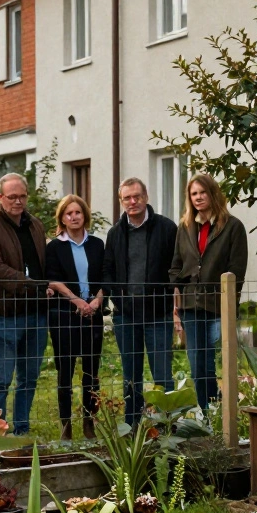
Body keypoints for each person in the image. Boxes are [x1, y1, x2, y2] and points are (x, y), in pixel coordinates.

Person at [0, 173, 49, 436]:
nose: (18, 202)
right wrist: (30, 283)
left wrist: (45, 287)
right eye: (12, 197)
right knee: (1, 379)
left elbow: (43, 264)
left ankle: (22, 429)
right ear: (0, 197)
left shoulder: (35, 225)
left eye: (22, 196)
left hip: (37, 314)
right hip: (5, 314)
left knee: (29, 378)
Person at [102, 178, 176, 426]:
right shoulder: (115, 233)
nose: (132, 202)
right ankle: (132, 426)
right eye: (127, 198)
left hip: (158, 315)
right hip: (127, 316)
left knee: (162, 374)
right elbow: (108, 272)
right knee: (130, 376)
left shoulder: (166, 228)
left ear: (146, 197)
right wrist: (118, 300)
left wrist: (167, 297)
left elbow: (175, 267)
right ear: (121, 201)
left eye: (137, 196)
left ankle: (168, 425)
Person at [170, 174, 247, 410]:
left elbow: (237, 270)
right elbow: (176, 265)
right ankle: (208, 412)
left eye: (203, 192)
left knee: (215, 362)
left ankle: (220, 414)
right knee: (198, 365)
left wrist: (230, 305)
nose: (198, 197)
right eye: (194, 194)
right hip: (191, 307)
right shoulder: (184, 227)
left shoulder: (233, 226)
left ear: (213, 194)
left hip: (218, 305)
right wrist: (178, 294)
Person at [45, 194, 105, 440]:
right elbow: (52, 279)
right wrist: (77, 300)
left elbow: (105, 277)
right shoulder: (55, 247)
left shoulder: (97, 244)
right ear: (62, 218)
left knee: (91, 372)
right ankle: (65, 425)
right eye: (68, 213)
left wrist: (97, 301)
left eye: (77, 212)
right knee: (65, 372)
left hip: (93, 314)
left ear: (84, 215)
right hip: (64, 314)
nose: (73, 217)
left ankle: (89, 423)